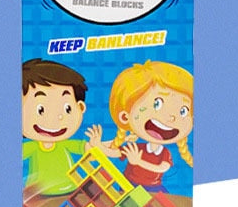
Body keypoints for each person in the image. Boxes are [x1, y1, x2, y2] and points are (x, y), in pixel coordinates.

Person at [91, 61, 193, 192]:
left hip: (153, 187)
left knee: (163, 201)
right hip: (130, 186)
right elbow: (115, 153)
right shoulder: (137, 148)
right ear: (125, 117)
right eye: (157, 104)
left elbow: (162, 168)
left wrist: (138, 161)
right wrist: (98, 145)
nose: (172, 117)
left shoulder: (164, 153)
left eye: (183, 111)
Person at [22, 59, 97, 197]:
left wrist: (94, 144)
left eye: (67, 108)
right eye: (40, 110)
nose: (55, 118)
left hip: (71, 190)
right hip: (41, 195)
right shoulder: (32, 147)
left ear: (80, 108)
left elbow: (88, 151)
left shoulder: (65, 144)